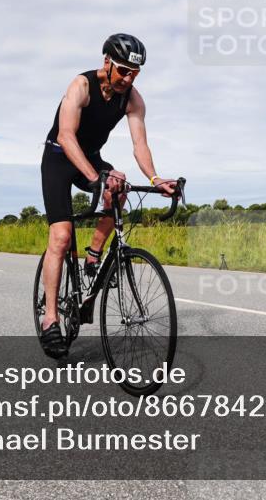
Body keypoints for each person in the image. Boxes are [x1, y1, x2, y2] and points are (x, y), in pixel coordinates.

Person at [39, 33, 175, 358]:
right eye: (123, 71)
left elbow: (140, 144)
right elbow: (66, 135)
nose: (128, 79)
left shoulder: (133, 99)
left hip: (92, 157)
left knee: (120, 183)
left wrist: (155, 178)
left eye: (135, 74)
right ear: (107, 63)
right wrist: (94, 177)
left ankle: (93, 256)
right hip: (60, 157)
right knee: (60, 236)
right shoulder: (81, 86)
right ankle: (50, 319)